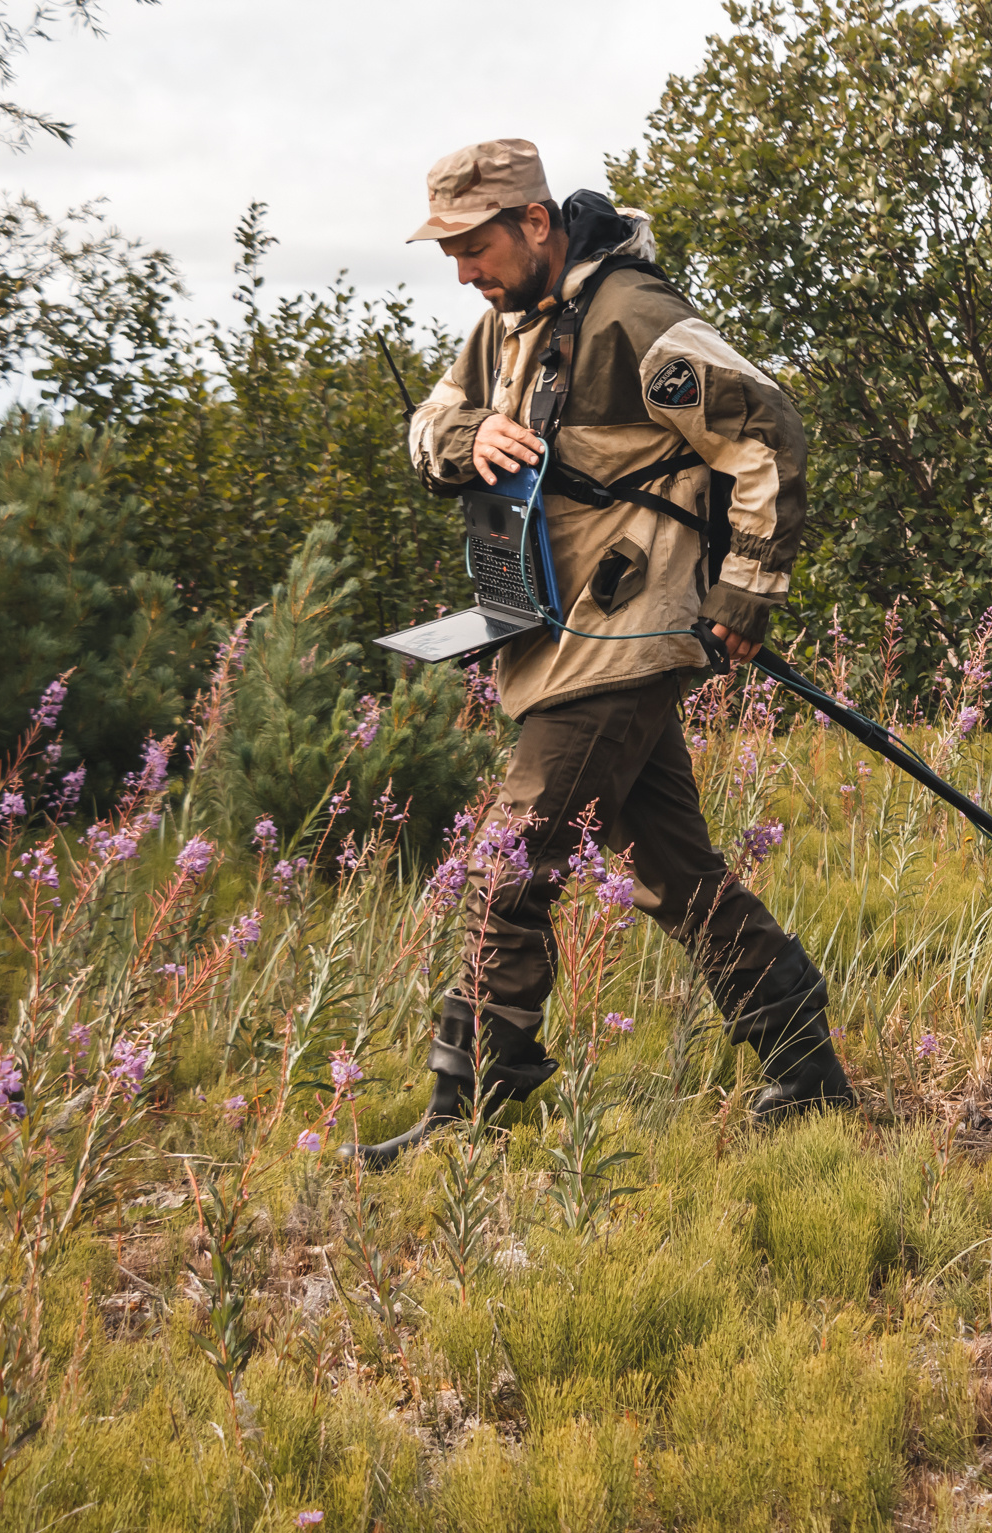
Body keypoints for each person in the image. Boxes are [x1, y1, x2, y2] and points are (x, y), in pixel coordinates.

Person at [350, 138, 854, 1168]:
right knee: (674, 871)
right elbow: (430, 420)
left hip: (624, 635)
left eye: (473, 245)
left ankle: (474, 1095)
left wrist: (743, 598)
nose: (461, 271)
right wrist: (471, 436)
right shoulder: (507, 324)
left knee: (508, 860)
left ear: (534, 222)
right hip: (551, 632)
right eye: (448, 251)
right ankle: (802, 1058)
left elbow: (764, 434)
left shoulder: (630, 314)